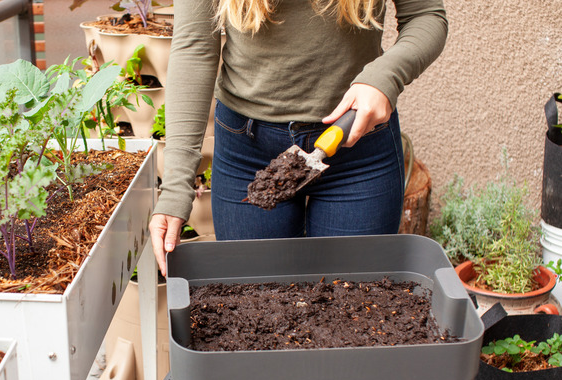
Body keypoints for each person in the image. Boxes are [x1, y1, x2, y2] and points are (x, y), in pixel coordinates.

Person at [150, 0, 448, 275]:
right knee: (256, 310)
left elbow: (425, 16)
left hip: (357, 151)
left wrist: (385, 77)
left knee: (351, 314)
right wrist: (176, 187)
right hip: (248, 153)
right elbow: (195, 46)